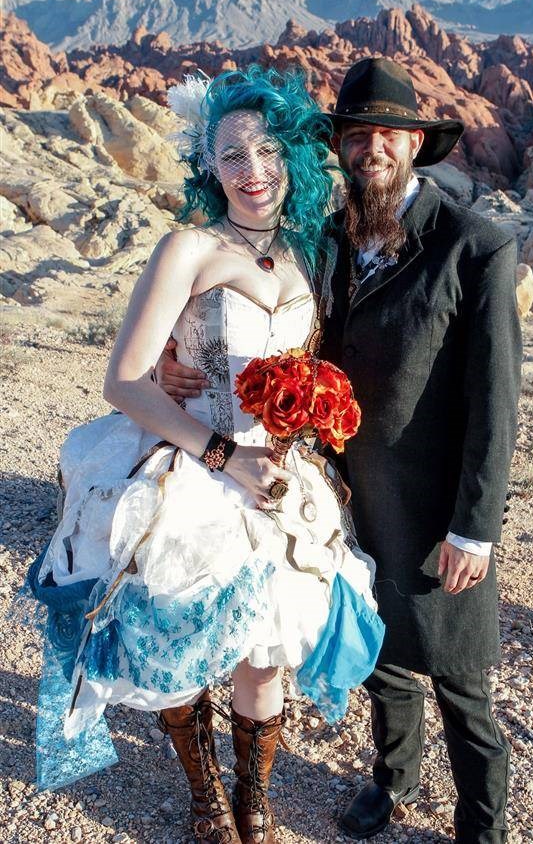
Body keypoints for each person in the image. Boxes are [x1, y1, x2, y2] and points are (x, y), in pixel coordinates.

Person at [160, 58, 522, 844]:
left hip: (436, 500)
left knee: (461, 678)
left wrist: (476, 527)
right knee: (383, 651)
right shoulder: (325, 235)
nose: (371, 150)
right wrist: (169, 355)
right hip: (346, 487)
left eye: (387, 134)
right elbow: (257, 319)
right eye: (356, 136)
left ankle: (483, 824)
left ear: (415, 143)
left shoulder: (476, 247)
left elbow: (495, 401)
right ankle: (394, 781)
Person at [27, 65, 384, 844]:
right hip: (195, 466)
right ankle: (204, 795)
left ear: (291, 153)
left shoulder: (307, 251)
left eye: (265, 150)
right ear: (207, 166)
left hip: (279, 476)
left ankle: (254, 799)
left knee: (264, 653)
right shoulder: (186, 247)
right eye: (230, 156)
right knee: (179, 646)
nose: (251, 171)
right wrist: (222, 448)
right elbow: (123, 378)